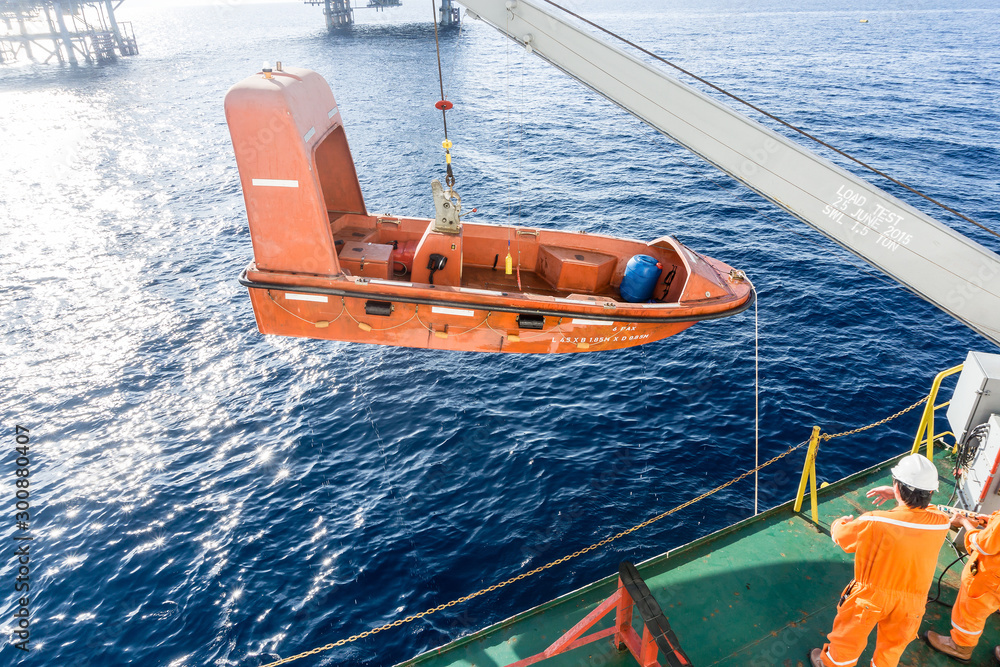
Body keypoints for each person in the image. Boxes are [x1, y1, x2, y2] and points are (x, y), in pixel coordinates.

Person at [809, 453, 951, 667]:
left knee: (847, 642)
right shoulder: (941, 523)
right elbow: (927, 511)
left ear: (896, 485)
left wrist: (840, 522)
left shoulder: (874, 520)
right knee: (890, 652)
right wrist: (899, 496)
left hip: (870, 597)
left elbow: (841, 536)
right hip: (912, 602)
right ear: (931, 492)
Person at [925, 509, 999, 663]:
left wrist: (965, 523)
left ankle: (960, 647)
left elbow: (983, 545)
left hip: (992, 579)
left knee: (971, 612)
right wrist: (992, 523)